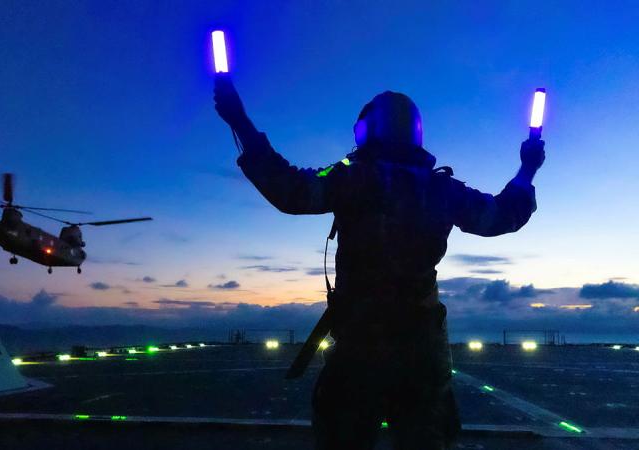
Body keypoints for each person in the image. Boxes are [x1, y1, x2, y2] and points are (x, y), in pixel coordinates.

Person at [213, 74, 545, 450]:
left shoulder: (354, 178)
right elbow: (501, 216)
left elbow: (290, 189)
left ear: (369, 130)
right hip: (422, 348)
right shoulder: (441, 189)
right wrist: (528, 169)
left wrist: (239, 121)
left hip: (360, 346)